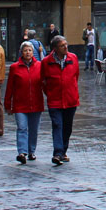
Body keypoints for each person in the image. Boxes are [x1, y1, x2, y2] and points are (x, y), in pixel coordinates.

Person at [40, 36, 80, 165]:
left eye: (66, 44)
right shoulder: (46, 62)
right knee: (57, 125)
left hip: (70, 99)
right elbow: (43, 81)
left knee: (67, 127)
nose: (66, 47)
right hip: (55, 100)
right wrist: (50, 93)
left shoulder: (73, 58)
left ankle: (63, 151)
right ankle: (57, 153)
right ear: (55, 48)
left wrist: (72, 90)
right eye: (62, 46)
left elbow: (76, 76)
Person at [4, 42, 44, 164]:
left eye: (30, 50)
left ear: (33, 52)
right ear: (21, 52)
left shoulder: (40, 66)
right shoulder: (15, 67)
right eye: (25, 50)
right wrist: (7, 104)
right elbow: (9, 87)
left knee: (33, 129)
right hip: (20, 104)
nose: (28, 52)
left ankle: (31, 151)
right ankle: (22, 152)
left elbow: (45, 84)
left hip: (36, 103)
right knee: (22, 127)